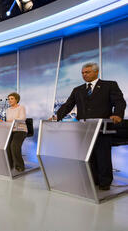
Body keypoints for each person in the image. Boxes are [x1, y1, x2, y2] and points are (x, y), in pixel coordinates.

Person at [52, 62, 126, 190]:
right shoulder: (78, 90)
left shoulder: (109, 85)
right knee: (89, 155)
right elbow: (68, 105)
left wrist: (118, 114)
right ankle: (93, 180)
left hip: (102, 127)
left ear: (96, 72)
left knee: (103, 155)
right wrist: (56, 117)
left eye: (87, 72)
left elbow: (119, 101)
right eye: (82, 73)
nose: (84, 75)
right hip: (84, 129)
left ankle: (105, 183)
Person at [5, 92, 27, 172]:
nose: (9, 100)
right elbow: (8, 121)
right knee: (7, 147)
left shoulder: (21, 107)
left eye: (12, 99)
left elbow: (22, 118)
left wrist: (11, 120)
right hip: (11, 130)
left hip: (20, 130)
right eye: (9, 99)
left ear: (16, 99)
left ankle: (20, 166)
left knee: (14, 146)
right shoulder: (8, 110)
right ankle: (10, 165)